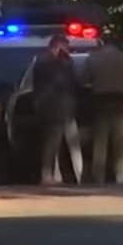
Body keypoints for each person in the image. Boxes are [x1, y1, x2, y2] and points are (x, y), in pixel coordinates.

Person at [32, 35, 83, 185]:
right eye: (66, 47)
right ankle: (48, 174)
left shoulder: (44, 62)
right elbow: (68, 82)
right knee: (53, 144)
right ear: (58, 46)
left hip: (60, 109)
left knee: (67, 144)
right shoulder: (52, 63)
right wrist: (64, 61)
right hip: (55, 109)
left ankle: (72, 175)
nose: (68, 50)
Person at [84, 38, 123, 183]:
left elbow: (84, 81)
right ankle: (121, 175)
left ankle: (98, 176)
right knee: (119, 140)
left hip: (100, 101)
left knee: (100, 141)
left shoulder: (92, 58)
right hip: (119, 100)